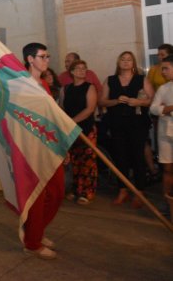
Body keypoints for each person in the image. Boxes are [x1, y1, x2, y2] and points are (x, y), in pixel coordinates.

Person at [21, 43, 64, 260]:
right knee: (38, 196)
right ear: (30, 59)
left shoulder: (45, 85)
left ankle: (35, 231)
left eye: (48, 56)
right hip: (32, 149)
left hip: (50, 146)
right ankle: (32, 242)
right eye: (42, 56)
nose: (47, 60)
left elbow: (51, 116)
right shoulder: (22, 85)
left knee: (57, 192)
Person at [99, 51, 153, 208]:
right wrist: (115, 101)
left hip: (138, 124)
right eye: (123, 59)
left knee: (138, 156)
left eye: (129, 60)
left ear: (133, 63)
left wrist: (138, 102)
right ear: (118, 62)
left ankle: (140, 192)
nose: (126, 62)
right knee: (119, 157)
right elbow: (102, 101)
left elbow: (152, 100)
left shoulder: (141, 79)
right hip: (116, 124)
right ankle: (122, 190)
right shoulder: (110, 80)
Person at [61, 60, 98, 205]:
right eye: (78, 68)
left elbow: (89, 109)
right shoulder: (66, 89)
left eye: (84, 68)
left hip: (86, 128)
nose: (82, 71)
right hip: (70, 129)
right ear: (72, 72)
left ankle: (86, 192)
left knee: (87, 161)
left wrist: (73, 122)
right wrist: (66, 123)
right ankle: (75, 189)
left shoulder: (90, 87)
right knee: (74, 160)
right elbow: (62, 107)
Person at [149, 54, 173, 220]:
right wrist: (166, 109)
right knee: (167, 168)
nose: (163, 72)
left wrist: (165, 109)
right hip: (165, 133)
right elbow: (153, 108)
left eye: (166, 68)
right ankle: (167, 202)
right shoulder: (163, 89)